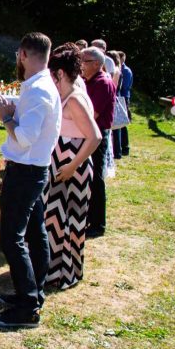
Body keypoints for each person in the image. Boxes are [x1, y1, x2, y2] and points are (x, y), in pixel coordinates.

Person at [0, 32, 62, 329]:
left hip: (26, 170)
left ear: (22, 55)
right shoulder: (37, 86)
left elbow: (26, 137)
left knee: (11, 238)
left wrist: (6, 117)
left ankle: (28, 306)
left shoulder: (40, 90)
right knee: (34, 232)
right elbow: (27, 118)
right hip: (31, 169)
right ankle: (31, 293)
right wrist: (6, 110)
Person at [41, 44, 101, 290]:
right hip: (59, 165)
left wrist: (71, 167)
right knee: (54, 220)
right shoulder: (67, 93)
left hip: (73, 168)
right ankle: (52, 270)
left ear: (61, 74)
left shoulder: (75, 98)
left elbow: (94, 137)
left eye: (52, 75)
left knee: (71, 222)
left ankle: (67, 273)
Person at [81, 46, 116, 238]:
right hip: (88, 132)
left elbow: (92, 114)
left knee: (96, 179)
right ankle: (88, 218)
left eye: (84, 61)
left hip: (97, 134)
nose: (81, 65)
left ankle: (98, 224)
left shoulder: (102, 82)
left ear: (96, 63)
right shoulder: (89, 80)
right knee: (88, 177)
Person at [113, 51, 133, 157]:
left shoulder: (125, 71)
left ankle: (125, 147)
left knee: (121, 123)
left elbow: (125, 87)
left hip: (123, 98)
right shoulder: (122, 70)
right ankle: (122, 147)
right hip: (122, 97)